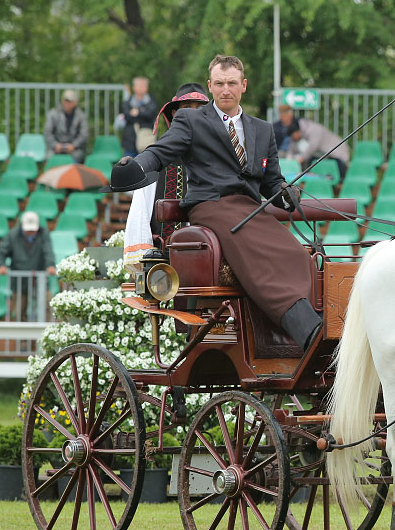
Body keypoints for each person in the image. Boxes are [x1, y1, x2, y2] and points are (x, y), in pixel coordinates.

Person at [115, 54, 322, 351]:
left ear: (244, 86)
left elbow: (271, 181)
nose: (227, 89)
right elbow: (160, 152)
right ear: (211, 86)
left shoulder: (263, 130)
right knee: (249, 247)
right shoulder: (191, 119)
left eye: (232, 83)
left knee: (296, 254)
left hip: (249, 208)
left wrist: (286, 192)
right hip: (211, 205)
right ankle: (305, 329)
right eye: (220, 83)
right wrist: (136, 167)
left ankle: (301, 328)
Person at [123, 82, 210, 270]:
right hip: (164, 269)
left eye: (200, 108)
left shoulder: (220, 157)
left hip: (210, 263)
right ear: (174, 114)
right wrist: (145, 265)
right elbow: (140, 214)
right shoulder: (156, 158)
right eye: (187, 108)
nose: (193, 113)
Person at [0, 211, 56, 321]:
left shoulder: (44, 234)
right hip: (19, 280)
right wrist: (1, 265)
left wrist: (50, 265)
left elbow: (48, 251)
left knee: (47, 304)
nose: (30, 232)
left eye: (33, 230)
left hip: (39, 279)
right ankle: (22, 337)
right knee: (18, 310)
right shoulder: (12, 235)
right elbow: (1, 253)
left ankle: (45, 334)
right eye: (28, 230)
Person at [286, 111, 350, 180]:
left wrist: (300, 159)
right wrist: (289, 158)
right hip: (325, 155)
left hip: (337, 154)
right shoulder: (300, 132)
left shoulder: (314, 129)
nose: (293, 138)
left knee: (337, 176)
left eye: (293, 136)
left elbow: (312, 147)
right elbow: (292, 145)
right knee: (312, 160)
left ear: (298, 131)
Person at [43, 90, 89, 162]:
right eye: (66, 100)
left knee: (76, 157)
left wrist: (74, 145)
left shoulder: (81, 116)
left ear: (75, 102)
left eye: (70, 101)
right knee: (49, 157)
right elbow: (47, 133)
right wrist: (55, 145)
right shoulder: (53, 114)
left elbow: (84, 135)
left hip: (75, 149)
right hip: (56, 148)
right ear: (62, 100)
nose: (67, 103)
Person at [118, 76, 159, 156]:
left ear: (147, 88)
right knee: (128, 165)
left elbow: (150, 115)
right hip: (130, 141)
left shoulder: (152, 101)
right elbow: (127, 116)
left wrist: (137, 112)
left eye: (143, 85)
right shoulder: (128, 102)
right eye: (139, 85)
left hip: (146, 141)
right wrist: (142, 112)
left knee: (146, 166)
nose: (141, 88)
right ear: (134, 87)